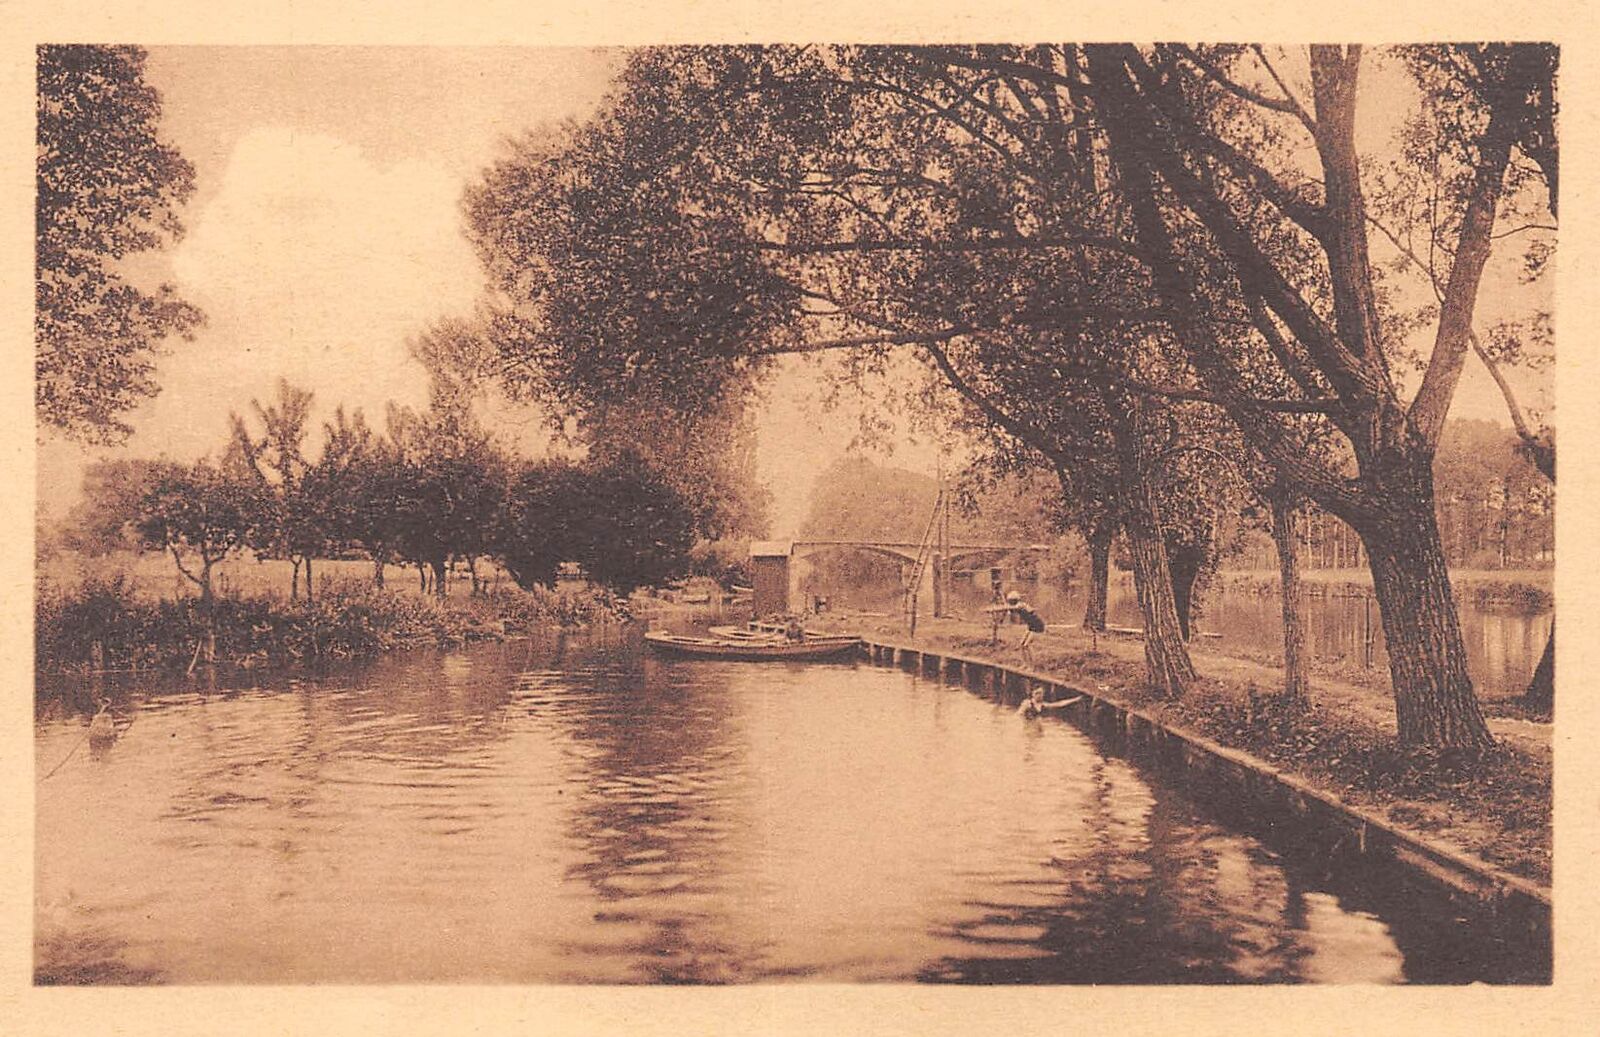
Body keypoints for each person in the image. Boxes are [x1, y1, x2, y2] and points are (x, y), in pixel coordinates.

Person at [986, 590, 1045, 664]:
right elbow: (1007, 607)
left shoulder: (1020, 605)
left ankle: (1032, 665)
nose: (1009, 602)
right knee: (1022, 645)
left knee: (1026, 645)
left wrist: (994, 609)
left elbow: (1006, 608)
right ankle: (1025, 664)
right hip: (1031, 626)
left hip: (1037, 626)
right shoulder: (1019, 605)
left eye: (1010, 601)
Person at [1017, 683, 1083, 718]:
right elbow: (1018, 714)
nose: (1039, 695)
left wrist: (1075, 699)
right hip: (1028, 725)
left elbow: (1059, 704)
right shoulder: (1027, 703)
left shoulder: (1043, 704)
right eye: (1037, 693)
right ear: (1032, 694)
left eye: (1041, 693)